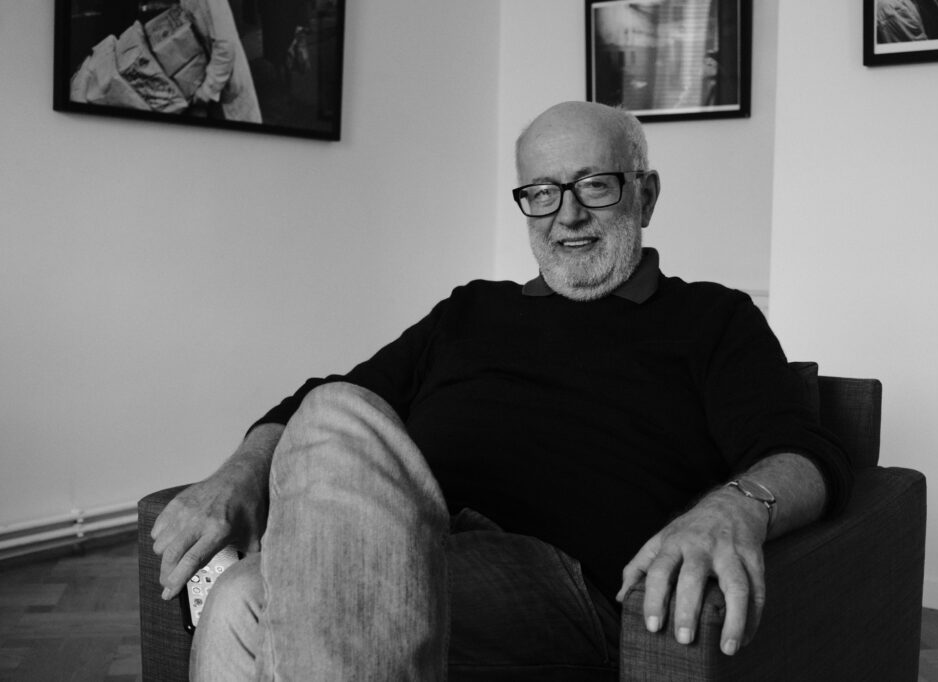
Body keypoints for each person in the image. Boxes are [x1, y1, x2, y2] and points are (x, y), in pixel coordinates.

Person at [151, 101, 852, 680]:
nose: (566, 216)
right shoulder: (470, 310)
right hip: (410, 533)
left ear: (646, 195)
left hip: (557, 580)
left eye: (594, 185)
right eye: (542, 193)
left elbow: (803, 451)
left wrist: (734, 508)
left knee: (254, 596)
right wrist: (239, 473)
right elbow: (326, 403)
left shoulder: (711, 318)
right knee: (327, 425)